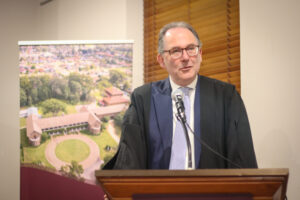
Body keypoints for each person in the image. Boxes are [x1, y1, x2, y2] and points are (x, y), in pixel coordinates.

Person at [103, 21, 257, 170]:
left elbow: (241, 158)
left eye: (191, 49)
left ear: (200, 54)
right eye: (176, 51)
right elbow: (130, 158)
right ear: (161, 60)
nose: (185, 57)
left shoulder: (226, 96)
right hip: (158, 193)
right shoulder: (143, 98)